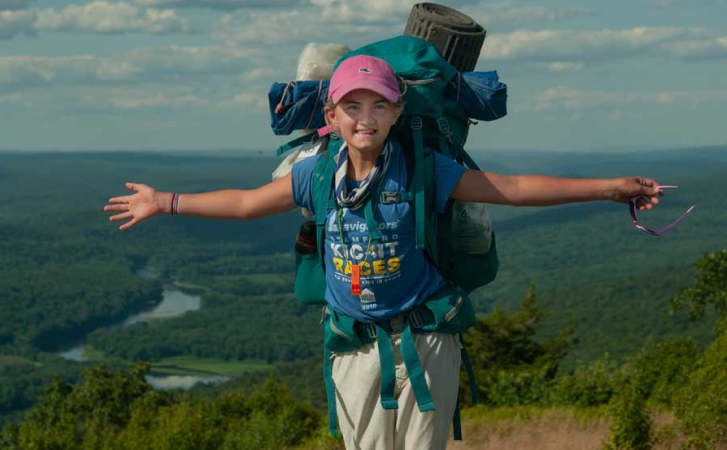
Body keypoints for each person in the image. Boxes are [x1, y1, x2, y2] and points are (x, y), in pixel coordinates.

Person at [103, 55, 664, 450]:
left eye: (378, 105)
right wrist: (165, 201)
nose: (365, 117)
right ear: (331, 117)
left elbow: (512, 189)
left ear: (397, 113)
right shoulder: (316, 174)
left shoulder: (425, 170)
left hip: (426, 338)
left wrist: (609, 187)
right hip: (354, 346)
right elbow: (248, 203)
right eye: (352, 105)